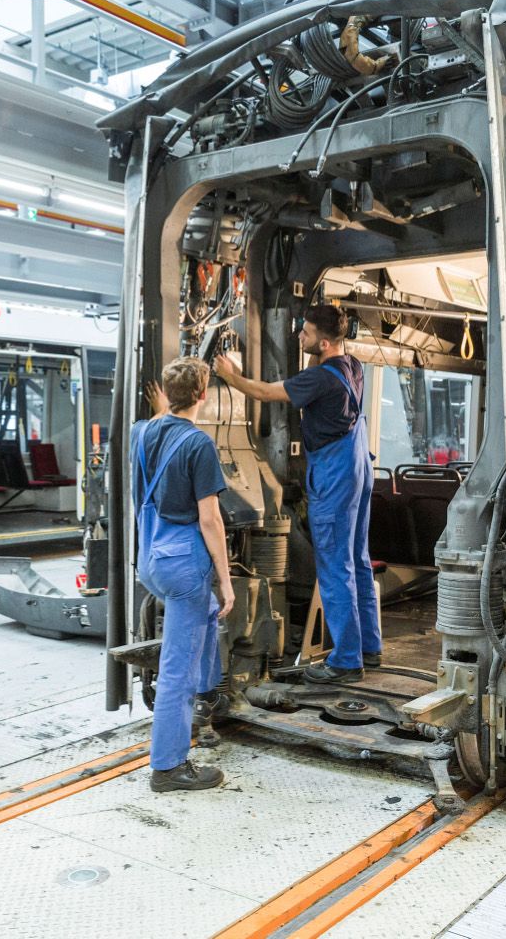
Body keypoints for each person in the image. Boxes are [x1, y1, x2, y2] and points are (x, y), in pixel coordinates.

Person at [214, 304, 381, 684]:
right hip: (358, 466)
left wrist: (231, 376)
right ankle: (369, 648)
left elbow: (266, 392)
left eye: (304, 334)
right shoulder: (351, 366)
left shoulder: (319, 378)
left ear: (323, 342)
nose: (299, 338)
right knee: (358, 560)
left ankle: (345, 661)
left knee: (335, 567)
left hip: (335, 474)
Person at [132, 357, 234, 793]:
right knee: (178, 669)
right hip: (183, 562)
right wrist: (226, 579)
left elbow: (159, 423)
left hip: (150, 558)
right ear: (204, 396)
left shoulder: (143, 432)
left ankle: (209, 692)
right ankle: (169, 767)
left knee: (205, 614)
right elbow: (210, 520)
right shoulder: (199, 445)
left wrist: (163, 407)